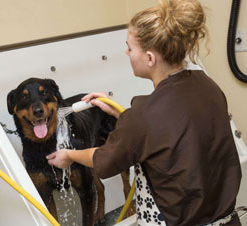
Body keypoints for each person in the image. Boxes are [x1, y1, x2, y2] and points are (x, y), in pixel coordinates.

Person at [46, 0, 243, 225]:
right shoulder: (206, 85)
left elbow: (105, 161)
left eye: (130, 47)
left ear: (150, 58)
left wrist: (68, 156)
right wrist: (118, 112)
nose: (126, 52)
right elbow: (168, 129)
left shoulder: (143, 115)